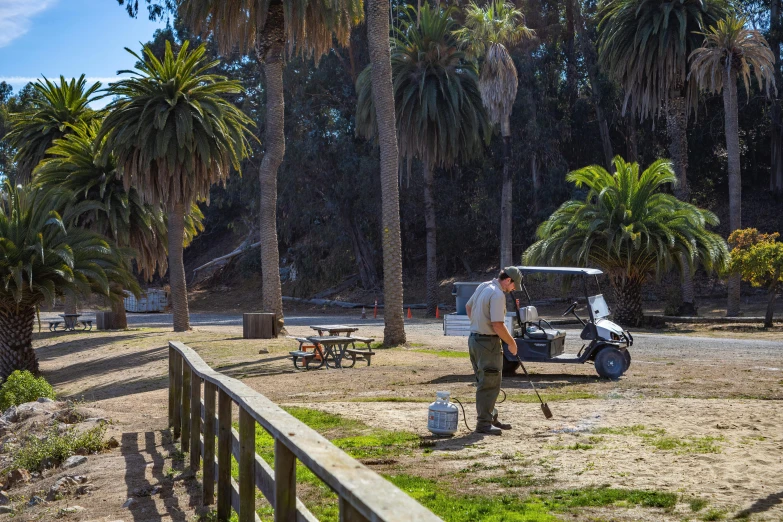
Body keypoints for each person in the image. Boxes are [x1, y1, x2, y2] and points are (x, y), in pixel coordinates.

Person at [464, 266, 522, 436]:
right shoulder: (497, 295)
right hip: (487, 343)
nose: (513, 289)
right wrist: (511, 343)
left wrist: (478, 324)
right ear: (508, 280)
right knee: (489, 384)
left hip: (474, 340)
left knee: (485, 381)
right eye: (514, 285)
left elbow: (468, 307)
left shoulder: (483, 286)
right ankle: (483, 425)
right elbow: (497, 324)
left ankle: (491, 418)